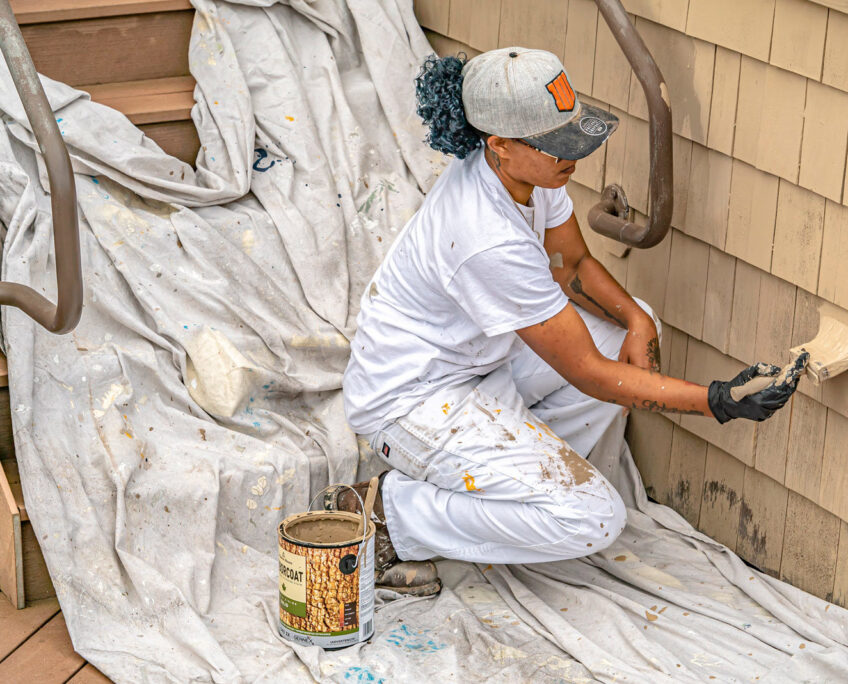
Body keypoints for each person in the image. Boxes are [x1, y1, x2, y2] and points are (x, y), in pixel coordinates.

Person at [337, 48, 804, 596]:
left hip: (477, 362)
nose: (572, 156)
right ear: (501, 145)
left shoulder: (529, 180)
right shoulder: (485, 236)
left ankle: (521, 481)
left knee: (626, 328)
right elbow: (586, 371)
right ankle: (391, 514)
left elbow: (573, 265)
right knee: (594, 519)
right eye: (554, 143)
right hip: (412, 399)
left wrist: (637, 319)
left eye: (572, 132)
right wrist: (717, 401)